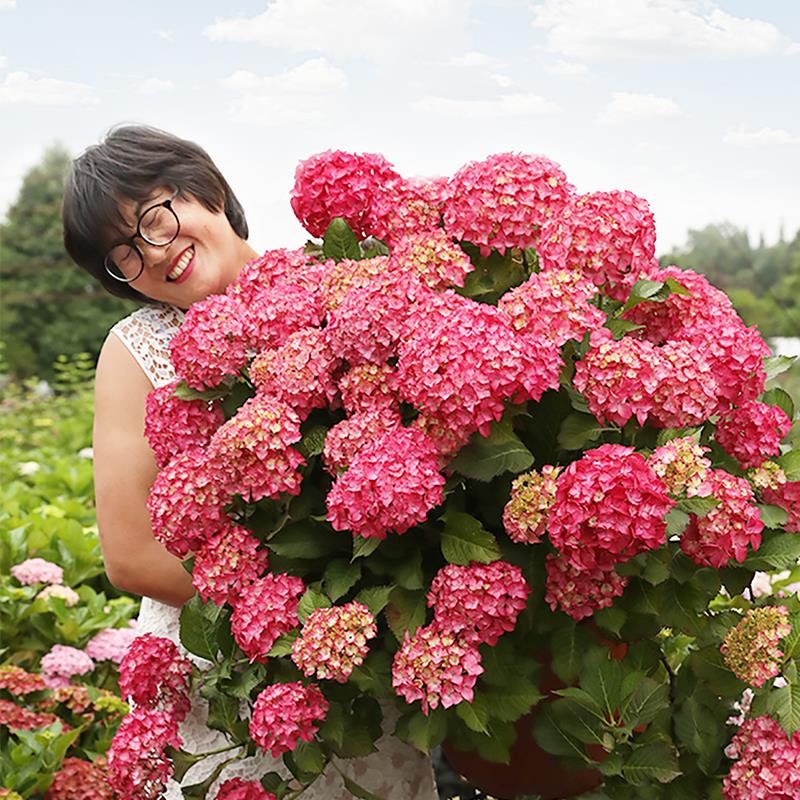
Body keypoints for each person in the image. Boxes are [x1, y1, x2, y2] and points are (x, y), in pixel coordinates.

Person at [62, 124, 438, 799]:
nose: (152, 252)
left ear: (204, 189)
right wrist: (311, 614)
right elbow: (132, 556)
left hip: (363, 672)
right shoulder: (138, 349)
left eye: (154, 216)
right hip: (238, 676)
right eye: (122, 254)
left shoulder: (338, 287)